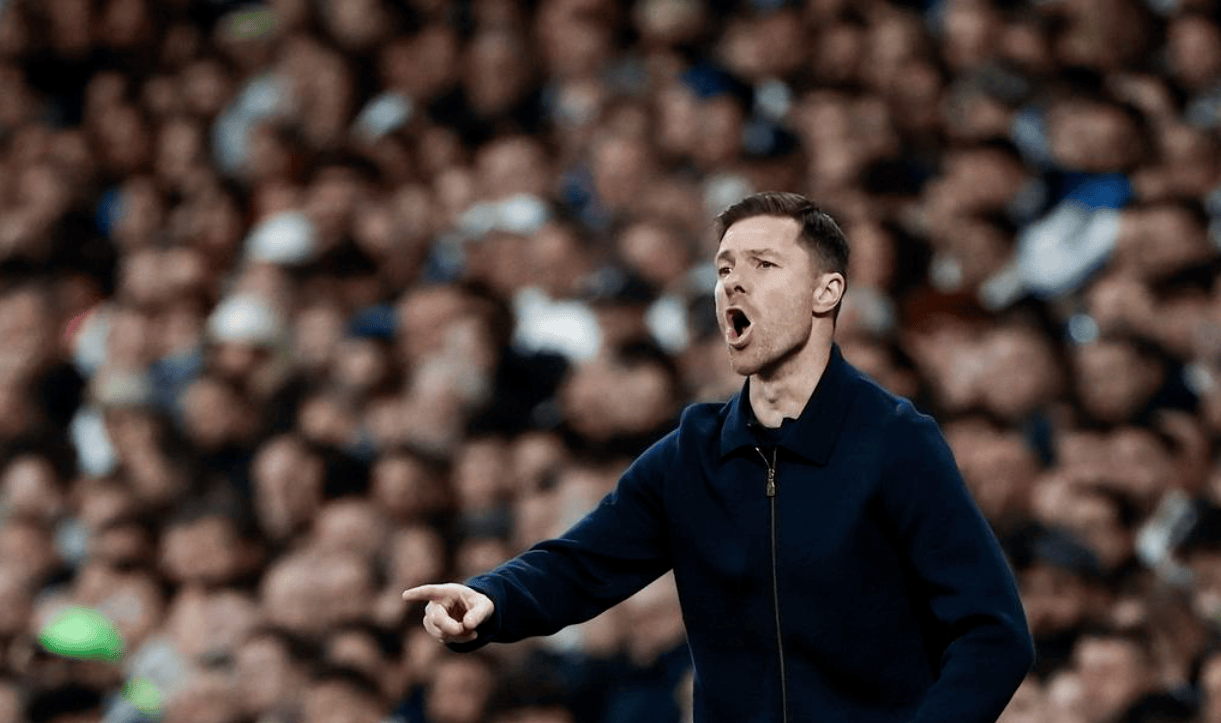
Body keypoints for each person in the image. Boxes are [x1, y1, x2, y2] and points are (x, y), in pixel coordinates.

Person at [403, 192, 1034, 723]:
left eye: (763, 264)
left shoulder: (895, 442)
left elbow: (993, 634)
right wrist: (492, 598)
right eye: (724, 266)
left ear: (825, 292)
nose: (732, 280)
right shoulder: (692, 453)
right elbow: (581, 564)